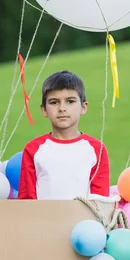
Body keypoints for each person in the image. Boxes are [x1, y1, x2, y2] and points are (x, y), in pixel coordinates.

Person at [18, 70, 110, 200]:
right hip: (43, 219)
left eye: (70, 101)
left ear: (83, 107)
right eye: (54, 102)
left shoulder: (96, 149)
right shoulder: (33, 149)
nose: (62, 108)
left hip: (84, 220)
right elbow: (27, 199)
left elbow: (101, 200)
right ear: (44, 110)